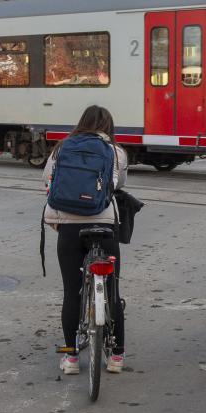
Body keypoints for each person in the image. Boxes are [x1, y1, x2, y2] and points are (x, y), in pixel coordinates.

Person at [44, 105, 130, 376]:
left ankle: (70, 359)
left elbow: (47, 180)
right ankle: (116, 357)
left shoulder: (61, 148)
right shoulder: (116, 152)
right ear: (109, 126)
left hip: (69, 227)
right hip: (104, 225)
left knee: (72, 292)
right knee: (112, 291)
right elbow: (119, 184)